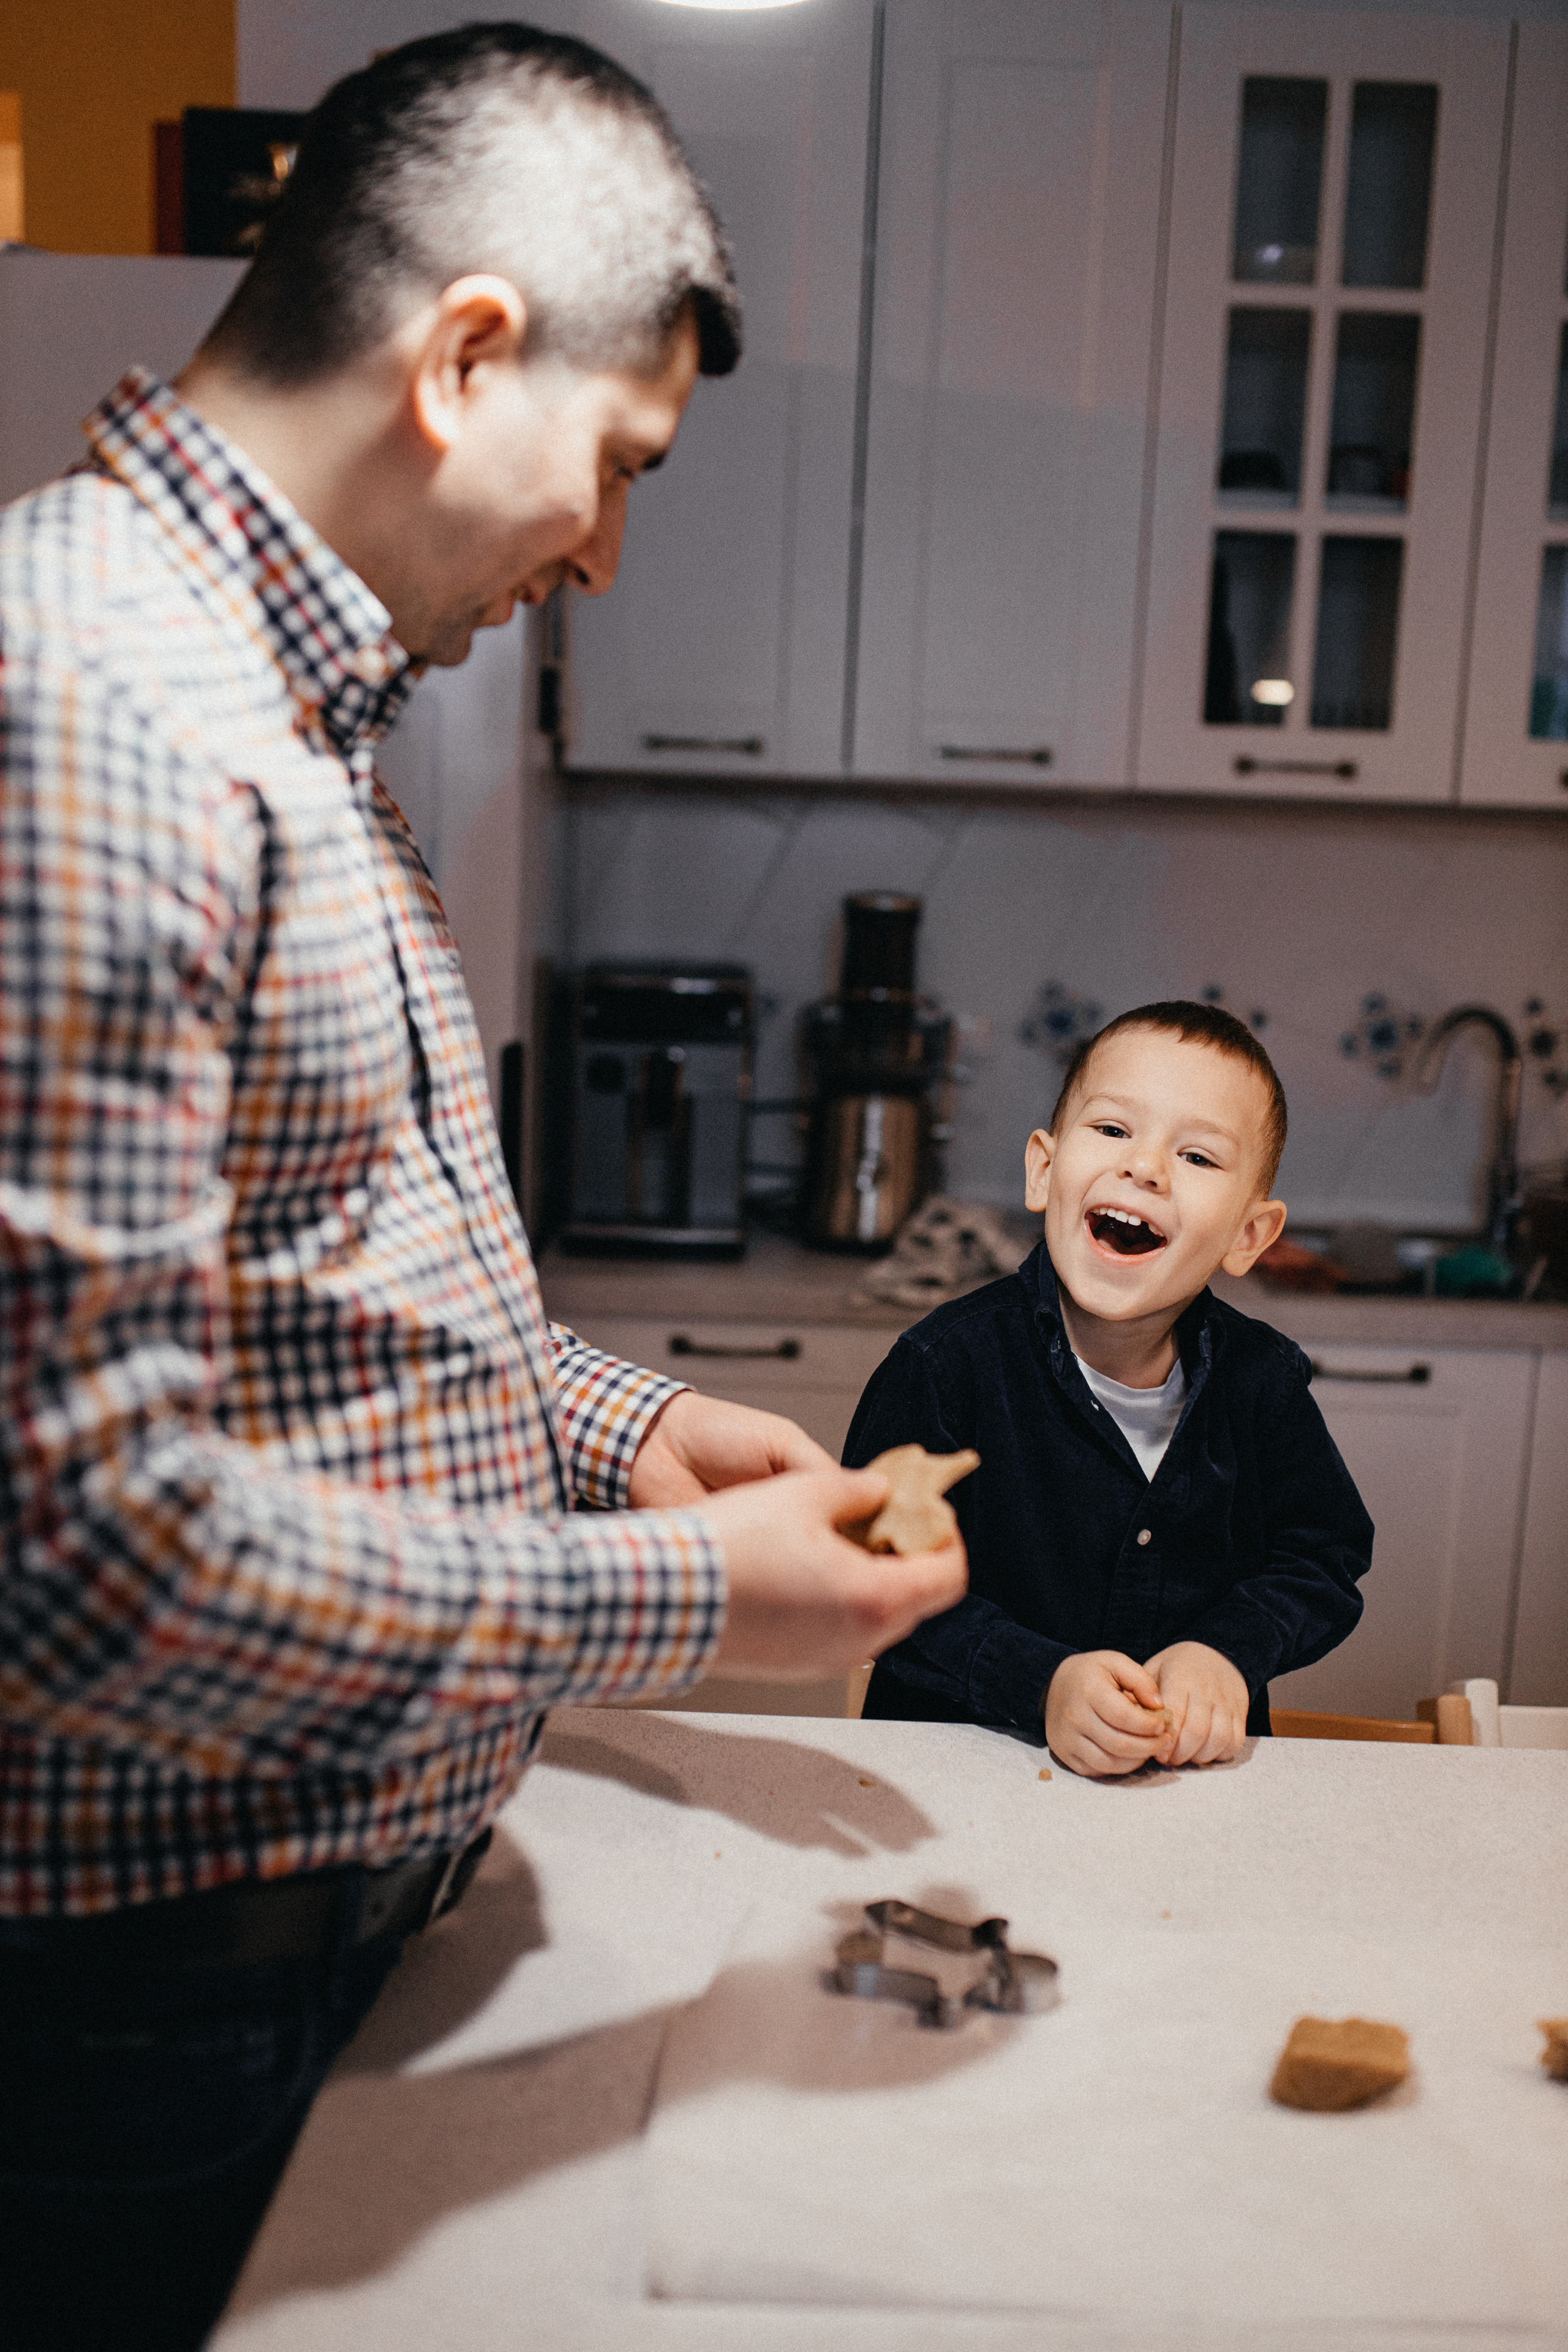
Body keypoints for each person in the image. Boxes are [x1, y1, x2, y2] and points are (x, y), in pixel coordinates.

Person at [0, 26, 964, 2350]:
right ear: (460, 357)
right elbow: (77, 1556)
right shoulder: (97, 714)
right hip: (147, 2014)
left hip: (341, 1927)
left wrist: (634, 1432)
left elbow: (347, 1300)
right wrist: (669, 1596)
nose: (602, 555)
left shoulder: (284, 720)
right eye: (617, 464)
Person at [844, 1001, 1373, 1776]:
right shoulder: (943, 1368)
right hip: (960, 1793)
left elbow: (1322, 1558)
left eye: (1197, 1157)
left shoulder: (1264, 1383)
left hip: (1182, 1803)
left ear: (1247, 1237)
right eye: (1114, 1131)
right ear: (1044, 1170)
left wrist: (1224, 1652)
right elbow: (874, 1582)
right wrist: (1041, 1684)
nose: (1146, 1167)